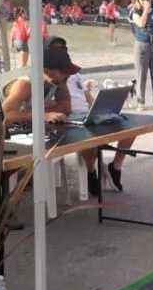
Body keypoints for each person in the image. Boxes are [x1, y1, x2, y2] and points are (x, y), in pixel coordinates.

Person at [46, 37, 132, 193]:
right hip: (69, 119)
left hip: (88, 114)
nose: (62, 52)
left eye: (63, 48)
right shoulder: (50, 78)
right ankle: (91, 172)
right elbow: (46, 105)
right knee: (86, 135)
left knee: (129, 128)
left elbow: (88, 98)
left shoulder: (75, 74)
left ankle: (115, 167)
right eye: (57, 50)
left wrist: (101, 109)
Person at [0, 47, 79, 129]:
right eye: (64, 72)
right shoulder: (25, 84)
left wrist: (31, 114)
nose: (68, 75)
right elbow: (6, 116)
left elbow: (65, 108)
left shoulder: (57, 80)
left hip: (3, 108)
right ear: (47, 71)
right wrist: (43, 116)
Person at [130, 0, 153, 110]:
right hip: (142, 44)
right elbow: (141, 24)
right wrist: (145, 10)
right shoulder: (135, 12)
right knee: (141, 74)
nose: (146, 1)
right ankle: (140, 101)